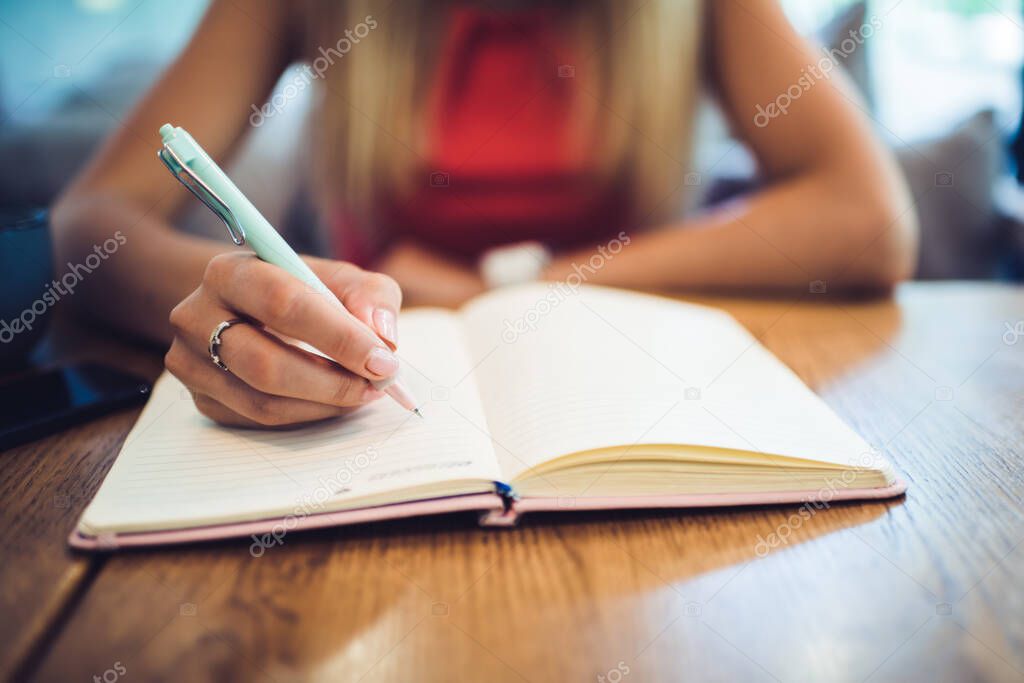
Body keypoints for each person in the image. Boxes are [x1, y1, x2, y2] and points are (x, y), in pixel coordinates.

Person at [52, 0, 917, 428]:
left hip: (624, 389)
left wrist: (512, 285)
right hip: (372, 399)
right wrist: (248, 302)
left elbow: (872, 218)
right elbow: (91, 222)